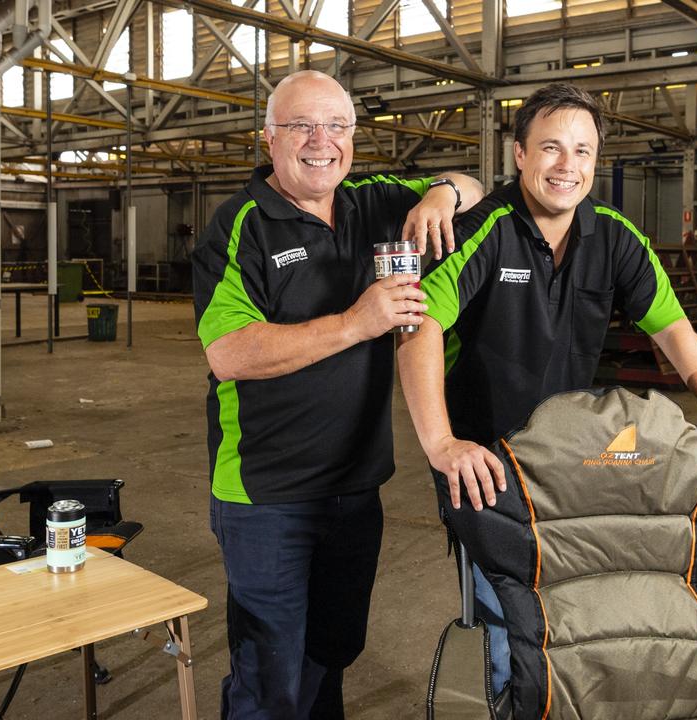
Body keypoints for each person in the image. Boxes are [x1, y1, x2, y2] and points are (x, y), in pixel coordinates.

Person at [396, 82, 697, 694]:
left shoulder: (616, 237)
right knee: (510, 634)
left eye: (583, 151)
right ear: (519, 154)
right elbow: (419, 330)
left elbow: (679, 336)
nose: (567, 166)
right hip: (492, 478)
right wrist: (441, 444)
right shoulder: (483, 229)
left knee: (577, 626)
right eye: (550, 148)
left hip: (576, 468)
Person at [191, 70, 483, 719]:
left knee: (332, 654)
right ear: (269, 138)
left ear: (352, 137)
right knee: (270, 674)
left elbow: (472, 185)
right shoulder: (240, 226)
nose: (321, 140)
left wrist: (440, 193)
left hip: (355, 490)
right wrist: (358, 322)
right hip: (268, 497)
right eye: (301, 125)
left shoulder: (372, 201)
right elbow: (229, 351)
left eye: (337, 125)